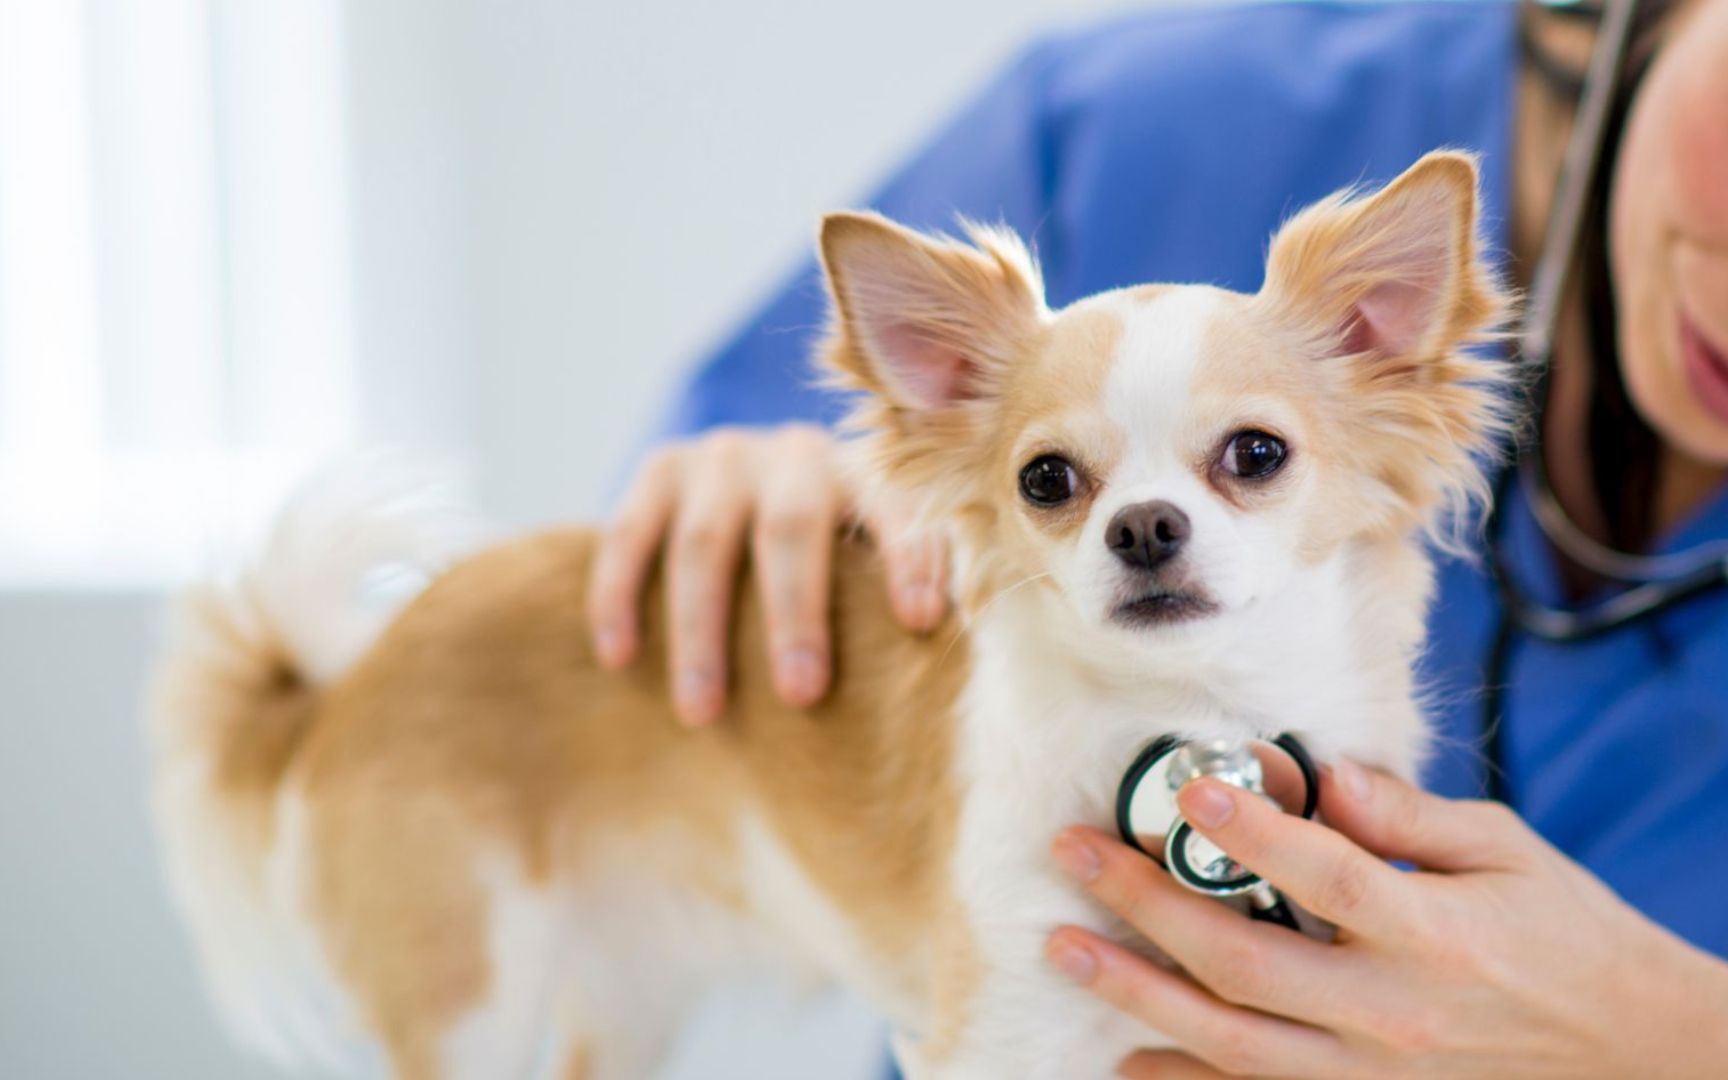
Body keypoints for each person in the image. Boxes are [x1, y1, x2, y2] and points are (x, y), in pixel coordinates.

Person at [586, 0, 1728, 1075]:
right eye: (1054, 481)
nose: (1142, 524)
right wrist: (752, 485)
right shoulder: (1142, 121)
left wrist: (1684, 1041)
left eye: (1253, 456)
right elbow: (692, 545)